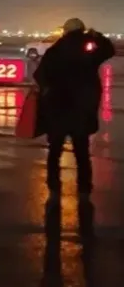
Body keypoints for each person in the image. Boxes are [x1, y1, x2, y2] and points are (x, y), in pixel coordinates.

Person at [33, 18, 115, 197]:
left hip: (58, 109)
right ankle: (84, 186)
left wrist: (48, 92)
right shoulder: (89, 50)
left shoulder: (55, 50)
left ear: (65, 31)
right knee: (82, 152)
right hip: (81, 110)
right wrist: (97, 36)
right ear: (82, 30)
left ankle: (54, 183)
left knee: (55, 150)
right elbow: (109, 50)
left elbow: (39, 74)